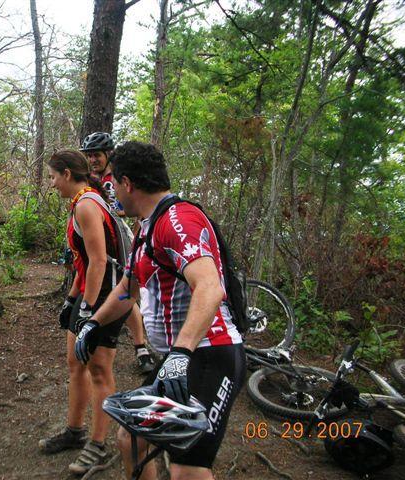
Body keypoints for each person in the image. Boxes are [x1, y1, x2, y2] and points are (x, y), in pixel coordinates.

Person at [74, 141, 246, 480]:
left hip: (211, 354)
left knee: (186, 466)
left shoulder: (177, 220)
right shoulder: (147, 227)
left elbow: (210, 287)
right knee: (130, 437)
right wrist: (93, 323)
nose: (111, 191)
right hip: (179, 359)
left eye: (113, 184)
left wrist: (181, 352)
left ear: (127, 183)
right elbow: (127, 290)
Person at [39, 149, 132, 475]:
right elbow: (83, 260)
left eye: (52, 176)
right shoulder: (82, 201)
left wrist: (89, 311)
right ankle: (75, 431)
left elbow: (100, 261)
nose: (51, 184)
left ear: (66, 174)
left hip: (110, 294)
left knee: (98, 370)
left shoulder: (88, 205)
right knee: (74, 362)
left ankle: (98, 443)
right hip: (92, 289)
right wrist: (71, 299)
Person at [79, 132, 155, 374]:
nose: (93, 160)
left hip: (123, 240)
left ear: (108, 154)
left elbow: (134, 208)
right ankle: (141, 347)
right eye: (89, 156)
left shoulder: (118, 178)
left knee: (126, 289)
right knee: (121, 289)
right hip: (103, 241)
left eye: (96, 156)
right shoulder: (91, 180)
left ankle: (142, 347)